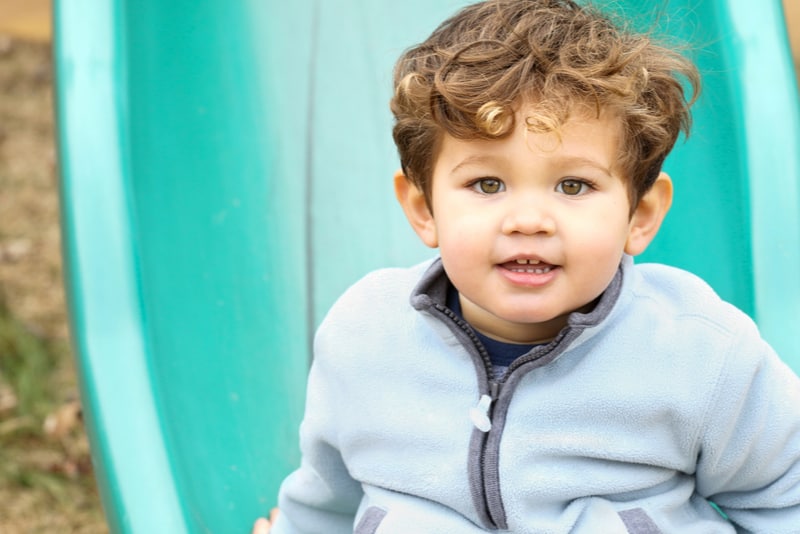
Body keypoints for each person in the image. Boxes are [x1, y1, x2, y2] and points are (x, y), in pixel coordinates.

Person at [254, 0, 800, 531]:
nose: (529, 220)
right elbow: (329, 493)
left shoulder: (700, 354)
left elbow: (787, 495)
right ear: (424, 209)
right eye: (487, 184)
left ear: (640, 213)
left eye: (573, 185)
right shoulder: (364, 335)